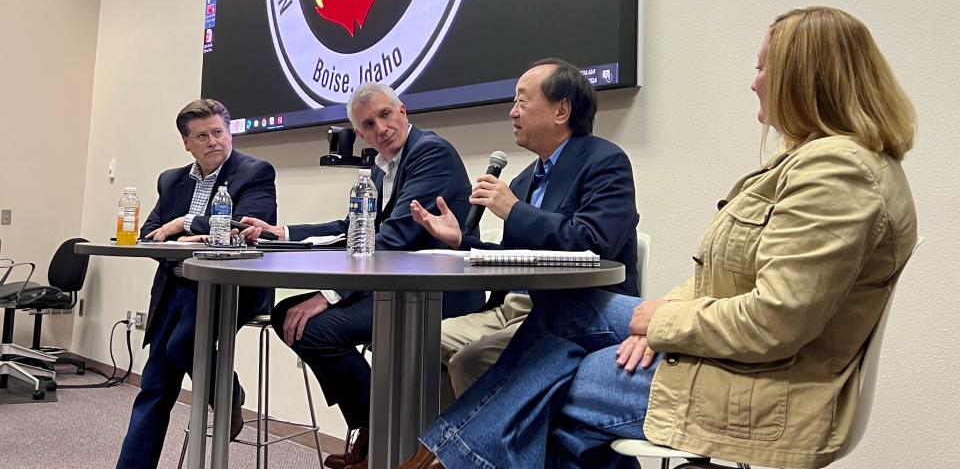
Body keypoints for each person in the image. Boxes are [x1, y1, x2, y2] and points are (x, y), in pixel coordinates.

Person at [396, 7, 918, 469]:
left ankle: (438, 459)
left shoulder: (837, 172)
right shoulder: (819, 161)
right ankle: (443, 458)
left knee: (540, 381)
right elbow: (716, 281)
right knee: (561, 317)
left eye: (763, 67)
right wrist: (659, 317)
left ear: (804, 77)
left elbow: (775, 321)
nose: (754, 82)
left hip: (769, 384)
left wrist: (662, 322)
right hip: (728, 351)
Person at [239, 82, 484, 469]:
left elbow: (394, 237)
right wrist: (283, 232)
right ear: (360, 134)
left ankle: (376, 428)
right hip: (395, 288)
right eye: (368, 124)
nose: (380, 128)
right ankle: (374, 425)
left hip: (437, 294)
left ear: (402, 111)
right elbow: (356, 226)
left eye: (385, 115)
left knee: (314, 327)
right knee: (287, 313)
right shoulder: (381, 166)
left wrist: (329, 294)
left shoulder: (430, 153)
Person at [411, 58, 640, 398]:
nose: (512, 112)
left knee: (470, 361)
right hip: (514, 306)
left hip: (575, 313)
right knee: (416, 342)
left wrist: (514, 210)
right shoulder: (524, 178)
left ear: (561, 110)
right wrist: (461, 241)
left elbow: (592, 246)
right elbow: (514, 258)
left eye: (521, 101)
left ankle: (475, 450)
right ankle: (434, 447)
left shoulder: (605, 163)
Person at [116, 99, 277, 469]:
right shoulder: (170, 180)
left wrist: (183, 224)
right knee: (155, 384)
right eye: (202, 136)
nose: (213, 141)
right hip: (176, 285)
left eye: (219, 132)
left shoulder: (255, 172)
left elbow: (249, 224)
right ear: (186, 142)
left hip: (228, 286)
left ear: (229, 132)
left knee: (181, 344)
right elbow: (147, 237)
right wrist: (178, 240)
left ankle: (227, 393)